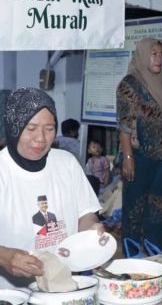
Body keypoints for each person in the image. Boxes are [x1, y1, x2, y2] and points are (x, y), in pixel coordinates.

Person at [0, 88, 101, 289]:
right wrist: (4, 256)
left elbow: (85, 214)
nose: (41, 138)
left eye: (49, 128)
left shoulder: (67, 163)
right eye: (31, 128)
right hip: (12, 295)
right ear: (14, 127)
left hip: (65, 288)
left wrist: (91, 232)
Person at [116, 38, 162, 250]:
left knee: (159, 210)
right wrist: (128, 157)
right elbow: (124, 125)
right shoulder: (129, 84)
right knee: (134, 209)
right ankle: (132, 260)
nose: (159, 58)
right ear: (143, 55)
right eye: (154, 54)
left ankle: (155, 257)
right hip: (138, 157)